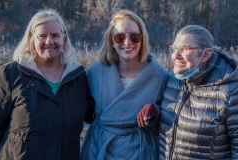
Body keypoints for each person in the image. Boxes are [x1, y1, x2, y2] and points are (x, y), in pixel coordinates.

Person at [0, 9, 95, 160]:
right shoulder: (10, 75)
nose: (49, 41)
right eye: (42, 36)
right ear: (32, 39)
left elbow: (99, 117)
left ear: (64, 38)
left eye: (55, 35)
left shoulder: (79, 78)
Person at [138, 25, 238, 159]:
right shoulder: (174, 79)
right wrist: (155, 117)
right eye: (174, 49)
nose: (175, 56)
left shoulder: (231, 91)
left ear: (206, 54)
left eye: (184, 49)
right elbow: (174, 135)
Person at [80, 9, 168, 160]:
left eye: (134, 37)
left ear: (142, 40)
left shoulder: (159, 76)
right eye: (120, 37)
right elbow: (85, 112)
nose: (127, 42)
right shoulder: (95, 72)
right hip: (99, 148)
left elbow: (168, 121)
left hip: (139, 151)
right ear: (112, 41)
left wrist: (155, 114)